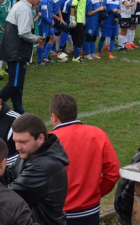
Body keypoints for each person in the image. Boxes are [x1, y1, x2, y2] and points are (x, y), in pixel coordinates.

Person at [50, 94, 120, 225]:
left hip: (57, 213)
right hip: (90, 211)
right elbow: (113, 172)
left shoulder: (49, 141)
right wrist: (96, 193)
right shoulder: (98, 134)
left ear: (54, 117)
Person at [4, 114, 69, 225]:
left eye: (23, 142)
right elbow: (10, 175)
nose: (17, 147)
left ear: (40, 138)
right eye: (15, 141)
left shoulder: (42, 166)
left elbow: (7, 197)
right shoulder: (29, 154)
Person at [0, 0, 44, 114]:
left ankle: (18, 110)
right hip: (17, 51)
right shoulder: (24, 9)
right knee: (15, 83)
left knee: (18, 84)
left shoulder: (22, 6)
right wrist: (35, 39)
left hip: (15, 49)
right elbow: (23, 32)